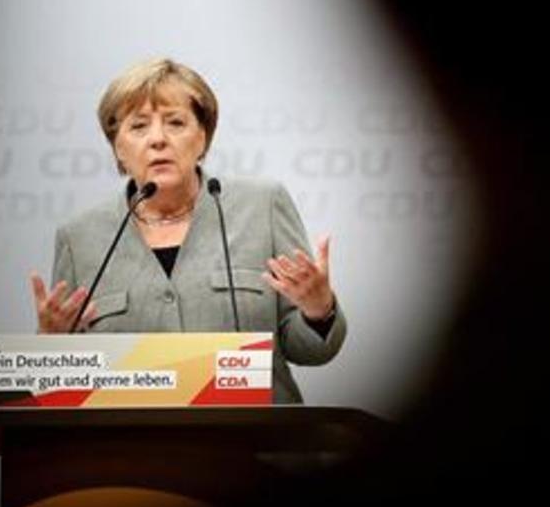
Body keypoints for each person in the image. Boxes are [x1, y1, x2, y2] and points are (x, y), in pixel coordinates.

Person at [29, 58, 345, 404]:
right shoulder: (79, 238)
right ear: (118, 149)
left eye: (176, 122)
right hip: (131, 450)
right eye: (138, 127)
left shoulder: (263, 206)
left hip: (257, 444)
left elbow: (308, 351)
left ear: (202, 138)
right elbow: (66, 380)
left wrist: (318, 311)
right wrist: (51, 345)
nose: (158, 140)